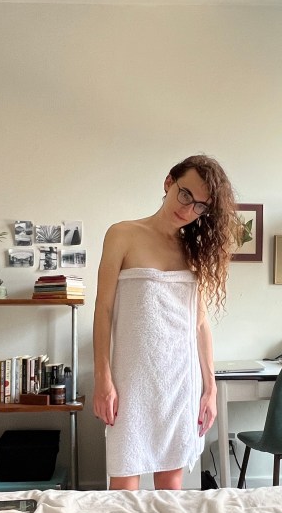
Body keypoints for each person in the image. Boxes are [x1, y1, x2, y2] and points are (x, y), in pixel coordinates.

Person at [93, 154, 238, 490]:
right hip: (132, 380)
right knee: (124, 489)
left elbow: (199, 324)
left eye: (200, 206)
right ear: (169, 182)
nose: (188, 210)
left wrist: (210, 388)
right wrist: (103, 378)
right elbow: (103, 309)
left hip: (180, 381)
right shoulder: (122, 234)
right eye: (186, 194)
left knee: (169, 497)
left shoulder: (195, 250)